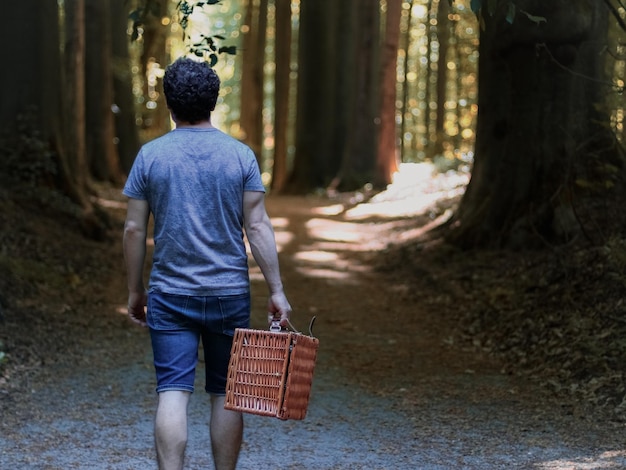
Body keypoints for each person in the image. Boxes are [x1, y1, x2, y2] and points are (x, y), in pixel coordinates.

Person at [122, 56, 292, 470]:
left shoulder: (150, 156)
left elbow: (132, 229)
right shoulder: (239, 156)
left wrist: (134, 290)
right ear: (213, 102)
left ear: (170, 104)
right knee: (225, 392)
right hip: (228, 292)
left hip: (169, 291)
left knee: (173, 392)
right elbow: (257, 225)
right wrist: (276, 290)